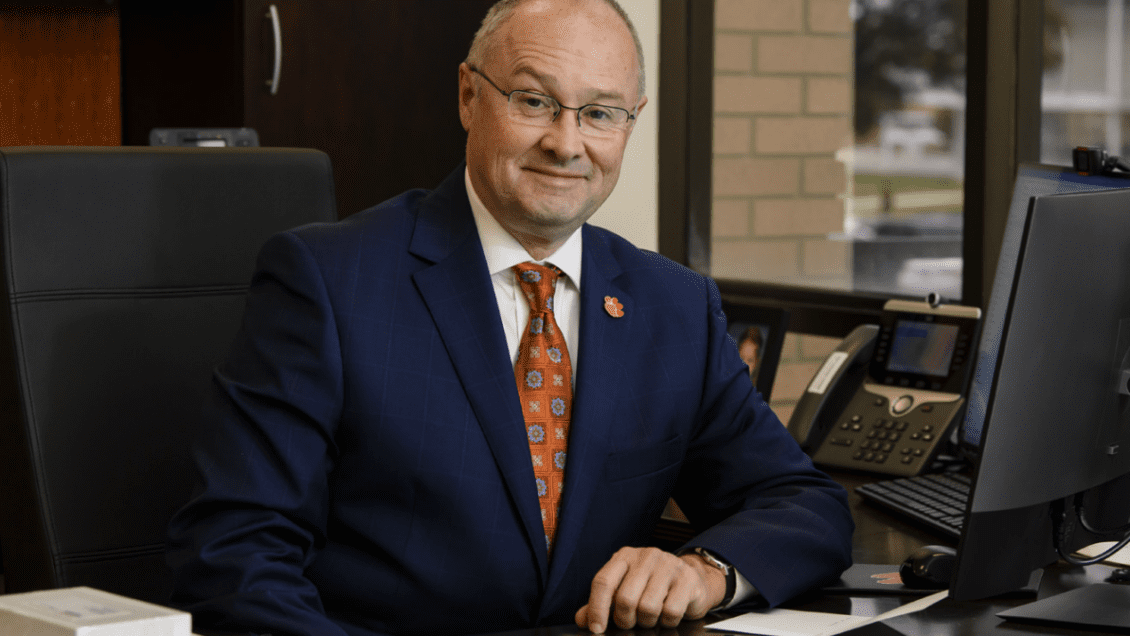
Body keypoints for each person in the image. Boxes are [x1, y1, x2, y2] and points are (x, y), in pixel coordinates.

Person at [166, 1, 853, 635]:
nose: (566, 142)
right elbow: (237, 551)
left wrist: (705, 572)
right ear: (469, 95)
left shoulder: (673, 306)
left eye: (601, 113)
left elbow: (804, 504)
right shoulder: (327, 281)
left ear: (631, 121)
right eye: (535, 101)